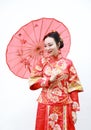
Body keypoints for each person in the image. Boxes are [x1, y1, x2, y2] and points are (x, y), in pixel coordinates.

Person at [29, 31, 83, 130]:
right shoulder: (42, 62)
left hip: (65, 105)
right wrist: (49, 80)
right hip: (45, 104)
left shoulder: (68, 63)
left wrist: (74, 110)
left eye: (50, 45)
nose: (47, 48)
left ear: (58, 44)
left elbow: (74, 87)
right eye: (45, 46)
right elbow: (33, 83)